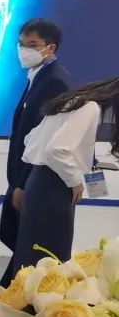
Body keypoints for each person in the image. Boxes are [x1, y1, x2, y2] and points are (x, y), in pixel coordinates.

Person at [12, 76, 119, 271]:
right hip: (54, 186)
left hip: (40, 181)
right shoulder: (90, 108)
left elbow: (31, 138)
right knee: (52, 258)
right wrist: (75, 180)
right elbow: (57, 149)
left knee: (34, 257)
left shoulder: (73, 102)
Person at [0, 18, 73, 286]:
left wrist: (22, 183)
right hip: (23, 178)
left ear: (50, 48)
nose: (24, 50)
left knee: (30, 254)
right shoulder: (38, 77)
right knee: (18, 245)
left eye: (32, 45)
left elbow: (43, 140)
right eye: (21, 44)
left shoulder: (54, 82)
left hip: (34, 181)